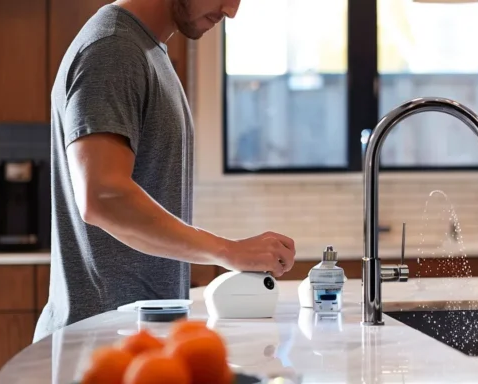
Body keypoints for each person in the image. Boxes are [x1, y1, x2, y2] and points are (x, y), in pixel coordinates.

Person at [34, 0, 296, 341]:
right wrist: (227, 251)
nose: (232, 10)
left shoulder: (146, 51)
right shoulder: (113, 49)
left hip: (133, 342)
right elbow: (103, 197)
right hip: (100, 348)